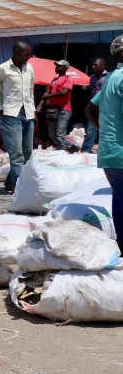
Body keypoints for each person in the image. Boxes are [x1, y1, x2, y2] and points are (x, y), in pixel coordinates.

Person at [85, 36, 123, 251]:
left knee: (119, 202)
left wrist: (106, 132)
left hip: (110, 152)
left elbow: (88, 110)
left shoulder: (110, 78)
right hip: (121, 152)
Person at [0, 42, 36, 191]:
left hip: (28, 114)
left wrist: (33, 110)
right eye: (26, 53)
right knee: (17, 154)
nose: (29, 56)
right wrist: (1, 108)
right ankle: (20, 188)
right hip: (11, 115)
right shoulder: (3, 69)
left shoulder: (29, 68)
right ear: (17, 52)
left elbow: (30, 91)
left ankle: (11, 182)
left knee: (28, 153)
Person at [39, 60, 75, 152]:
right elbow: (46, 94)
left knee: (60, 134)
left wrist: (49, 96)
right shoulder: (54, 80)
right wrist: (39, 106)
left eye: (59, 66)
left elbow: (64, 92)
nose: (57, 68)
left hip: (64, 109)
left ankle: (61, 153)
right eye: (56, 66)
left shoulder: (69, 78)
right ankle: (71, 146)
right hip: (53, 110)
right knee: (52, 134)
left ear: (65, 68)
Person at [83, 58, 108, 154]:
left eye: (96, 65)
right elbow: (90, 91)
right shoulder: (92, 78)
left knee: (105, 130)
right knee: (90, 131)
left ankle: (105, 152)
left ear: (102, 65)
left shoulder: (109, 77)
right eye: (92, 65)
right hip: (94, 108)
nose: (93, 67)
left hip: (105, 108)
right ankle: (85, 152)